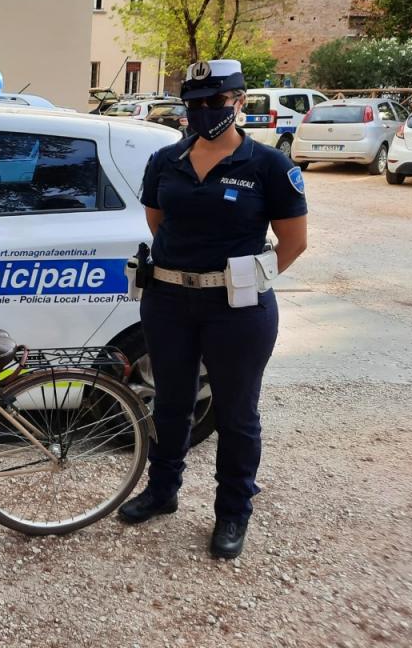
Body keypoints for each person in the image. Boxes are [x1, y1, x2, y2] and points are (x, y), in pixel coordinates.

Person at [117, 59, 308, 560]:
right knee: (171, 402)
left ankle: (232, 511)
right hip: (169, 301)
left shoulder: (269, 167)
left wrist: (237, 280)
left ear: (239, 101)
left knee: (236, 411)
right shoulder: (166, 159)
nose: (204, 112)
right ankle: (162, 492)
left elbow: (293, 242)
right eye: (194, 104)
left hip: (237, 309)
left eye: (215, 102)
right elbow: (158, 222)